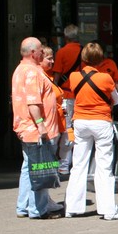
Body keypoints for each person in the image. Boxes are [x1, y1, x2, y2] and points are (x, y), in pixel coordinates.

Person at [64, 42, 118, 220]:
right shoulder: (105, 78)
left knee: (78, 164)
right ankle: (108, 210)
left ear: (84, 58)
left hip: (80, 121)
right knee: (104, 165)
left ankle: (72, 207)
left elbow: (73, 94)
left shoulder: (74, 76)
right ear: (100, 59)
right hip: (101, 121)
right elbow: (115, 99)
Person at [12, 37, 63, 219]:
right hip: (36, 130)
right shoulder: (33, 72)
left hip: (25, 127)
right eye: (41, 49)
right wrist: (41, 125)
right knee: (41, 168)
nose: (43, 52)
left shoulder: (20, 69)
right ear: (33, 52)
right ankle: (38, 210)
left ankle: (23, 206)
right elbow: (33, 103)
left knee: (28, 168)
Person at [52, 24, 82, 175]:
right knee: (79, 130)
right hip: (81, 96)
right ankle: (78, 164)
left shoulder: (61, 52)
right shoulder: (84, 51)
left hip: (66, 95)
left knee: (66, 129)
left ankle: (64, 164)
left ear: (66, 37)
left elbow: (57, 75)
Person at [41, 46, 68, 211]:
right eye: (49, 58)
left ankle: (44, 199)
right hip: (48, 128)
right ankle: (43, 201)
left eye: (53, 58)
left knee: (49, 165)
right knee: (44, 166)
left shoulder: (49, 77)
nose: (52, 62)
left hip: (56, 125)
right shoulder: (41, 77)